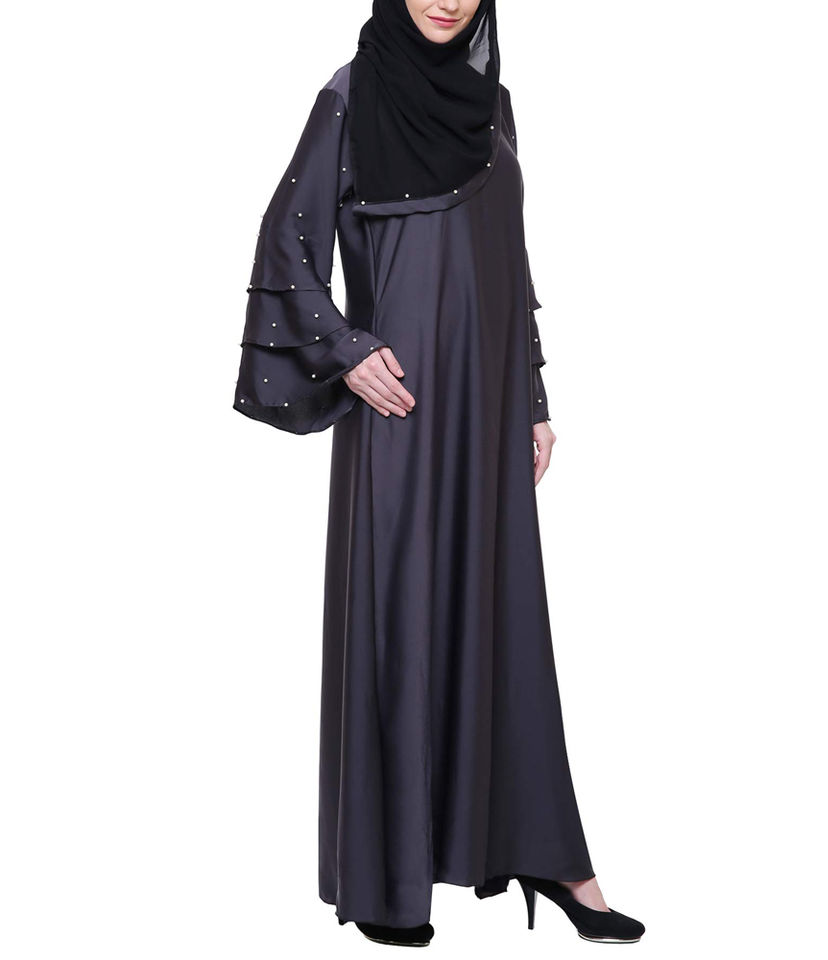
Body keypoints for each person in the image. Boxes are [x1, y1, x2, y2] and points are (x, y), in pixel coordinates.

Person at [233, 0, 645, 947]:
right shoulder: (350, 96)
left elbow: (512, 260)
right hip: (404, 408)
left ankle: (548, 853)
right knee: (403, 617)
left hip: (489, 406)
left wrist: (531, 394)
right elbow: (287, 238)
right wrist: (346, 350)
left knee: (504, 615)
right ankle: (389, 879)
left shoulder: (494, 105)